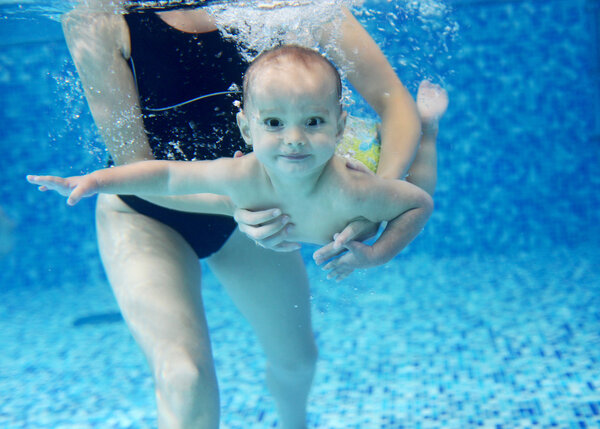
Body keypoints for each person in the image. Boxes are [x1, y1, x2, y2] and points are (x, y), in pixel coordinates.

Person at [56, 2, 437, 428]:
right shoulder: (99, 18)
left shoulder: (293, 5)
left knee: (297, 361)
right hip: (147, 214)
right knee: (183, 376)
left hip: (258, 210)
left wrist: (370, 201)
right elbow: (137, 171)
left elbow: (395, 105)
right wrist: (232, 205)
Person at [28, 45, 436, 275]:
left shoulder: (356, 189)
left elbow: (420, 203)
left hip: (360, 153)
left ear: (337, 125)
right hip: (331, 150)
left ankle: (430, 127)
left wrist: (380, 251)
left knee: (420, 176)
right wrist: (99, 180)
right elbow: (169, 177)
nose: (293, 140)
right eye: (274, 123)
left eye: (312, 121)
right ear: (245, 130)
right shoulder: (243, 173)